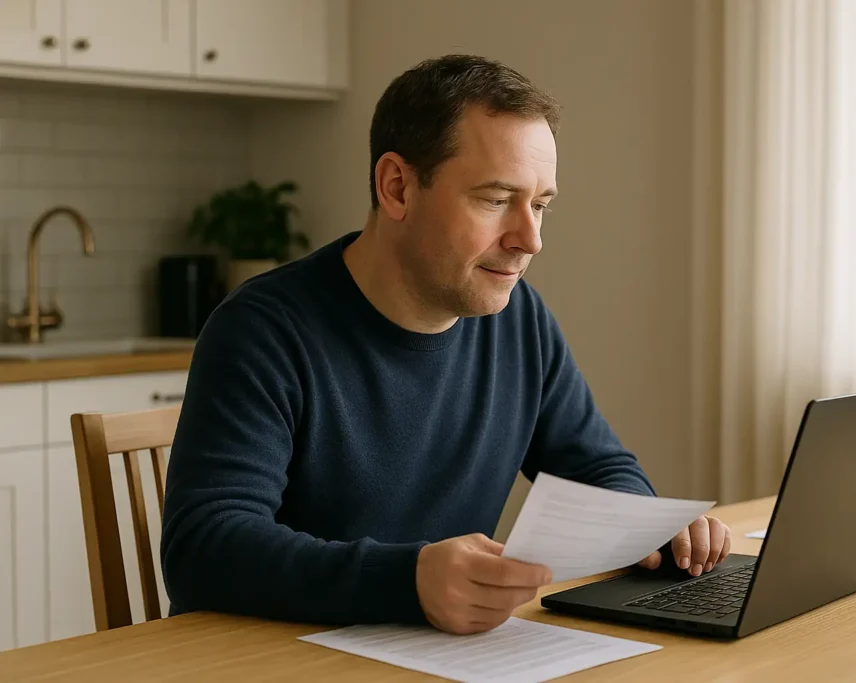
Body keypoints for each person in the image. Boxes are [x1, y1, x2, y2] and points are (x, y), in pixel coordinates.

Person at [160, 54, 731, 636]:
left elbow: (597, 464)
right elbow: (203, 545)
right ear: (397, 187)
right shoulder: (264, 329)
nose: (529, 239)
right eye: (495, 199)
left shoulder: (518, 318)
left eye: (540, 205)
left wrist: (649, 526)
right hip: (278, 660)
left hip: (436, 658)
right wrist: (406, 579)